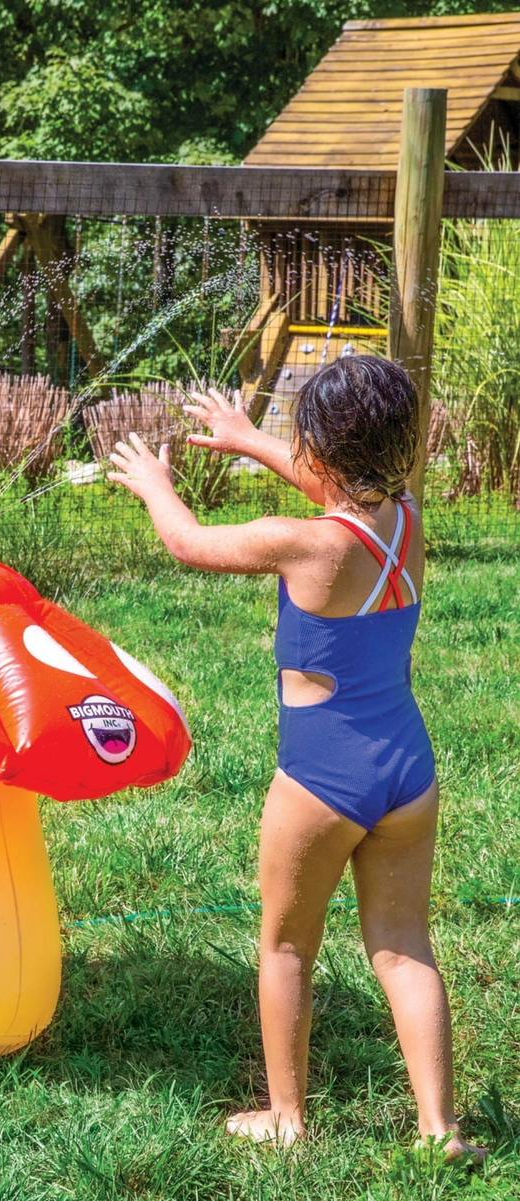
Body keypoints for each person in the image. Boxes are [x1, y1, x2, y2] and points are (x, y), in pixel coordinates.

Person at [106, 356, 483, 1162]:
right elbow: (334, 489)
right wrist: (246, 441)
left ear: (319, 452)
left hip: (323, 776)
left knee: (285, 946)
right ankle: (439, 1127)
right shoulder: (406, 518)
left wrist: (152, 483)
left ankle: (286, 1115)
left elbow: (189, 542)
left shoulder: (302, 544)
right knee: (404, 944)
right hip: (408, 771)